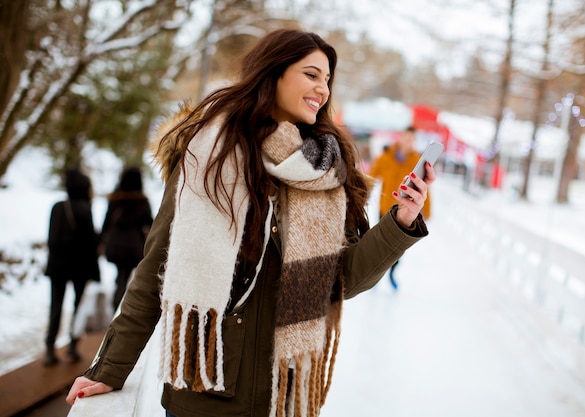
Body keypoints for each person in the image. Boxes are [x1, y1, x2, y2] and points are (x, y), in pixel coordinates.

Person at [66, 29, 435, 417]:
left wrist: (403, 220)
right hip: (206, 396)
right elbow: (157, 267)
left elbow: (341, 280)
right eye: (311, 74)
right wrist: (110, 368)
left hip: (284, 397)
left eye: (327, 79)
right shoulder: (209, 154)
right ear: (273, 73)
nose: (323, 89)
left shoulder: (325, 168)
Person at [43, 168, 100, 366]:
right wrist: (95, 271)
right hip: (79, 267)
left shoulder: (58, 207)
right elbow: (90, 244)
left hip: (58, 266)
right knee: (78, 306)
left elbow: (51, 239)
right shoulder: (85, 209)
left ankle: (49, 349)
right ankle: (73, 346)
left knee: (56, 306)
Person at [369, 126, 432, 291]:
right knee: (380, 244)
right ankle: (375, 277)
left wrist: (427, 210)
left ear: (414, 141)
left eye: (411, 139)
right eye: (406, 138)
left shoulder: (417, 161)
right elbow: (371, 176)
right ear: (401, 138)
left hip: (404, 211)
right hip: (384, 207)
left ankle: (391, 273)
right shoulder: (387, 156)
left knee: (398, 248)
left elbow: (425, 187)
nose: (408, 141)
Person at [100, 166, 153, 312]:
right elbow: (150, 224)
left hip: (115, 245)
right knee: (127, 277)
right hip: (133, 246)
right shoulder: (142, 201)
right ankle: (122, 308)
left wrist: (101, 241)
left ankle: (116, 305)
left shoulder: (115, 199)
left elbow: (106, 222)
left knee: (120, 277)